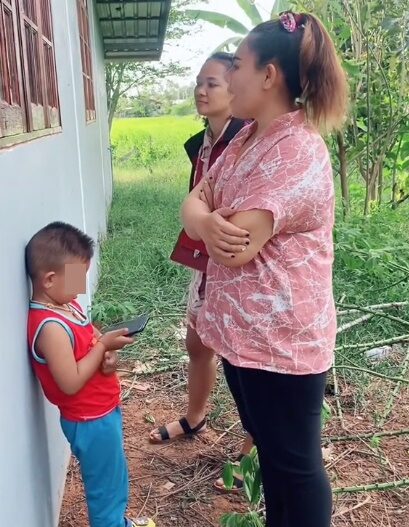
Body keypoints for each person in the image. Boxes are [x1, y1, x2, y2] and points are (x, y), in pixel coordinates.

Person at [181, 12, 347, 527]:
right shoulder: (246, 139)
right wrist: (205, 220)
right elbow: (194, 203)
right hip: (241, 337)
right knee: (274, 459)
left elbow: (234, 246)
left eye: (238, 66)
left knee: (295, 468)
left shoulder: (297, 150)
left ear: (269, 75)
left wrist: (206, 221)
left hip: (282, 346)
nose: (229, 77)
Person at [149, 52, 253, 491]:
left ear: (237, 89)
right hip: (206, 257)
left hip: (239, 261)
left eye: (212, 83)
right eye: (198, 82)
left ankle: (251, 452)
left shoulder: (249, 139)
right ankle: (195, 417)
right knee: (197, 341)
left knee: (243, 358)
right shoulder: (203, 143)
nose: (201, 91)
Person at [26, 222, 154, 527]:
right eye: (77, 277)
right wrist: (102, 347)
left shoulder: (67, 305)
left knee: (114, 477)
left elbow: (92, 341)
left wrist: (107, 356)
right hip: (89, 421)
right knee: (104, 490)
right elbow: (70, 383)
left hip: (102, 412)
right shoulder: (51, 327)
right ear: (49, 279)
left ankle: (118, 522)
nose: (82, 285)